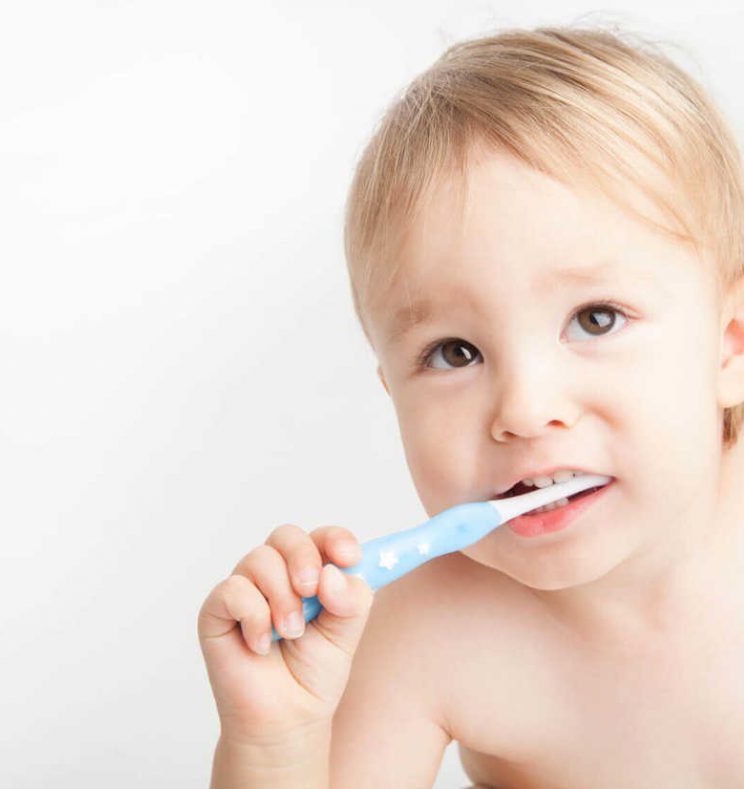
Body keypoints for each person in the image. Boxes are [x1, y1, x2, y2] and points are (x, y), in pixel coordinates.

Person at [197, 23, 744, 787]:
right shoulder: (429, 631)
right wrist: (274, 738)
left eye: (595, 318)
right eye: (455, 352)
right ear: (391, 391)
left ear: (729, 346)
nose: (524, 408)